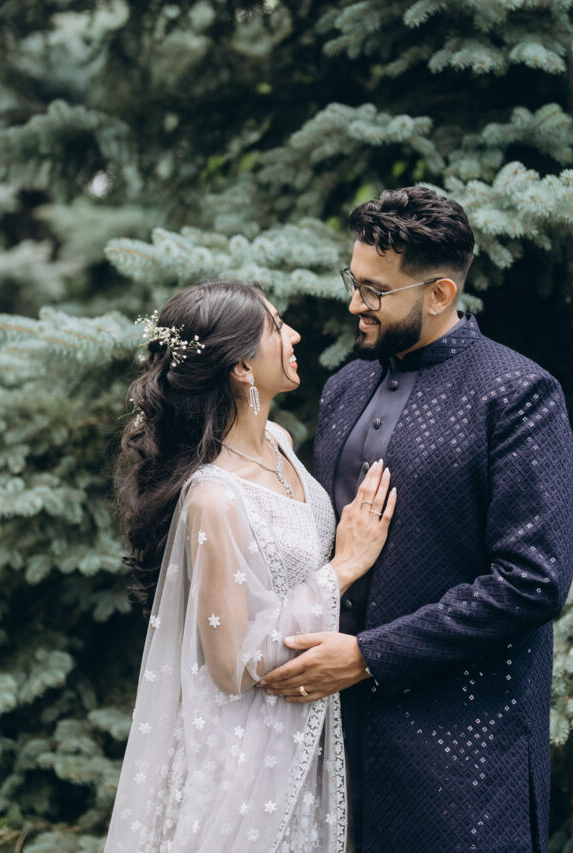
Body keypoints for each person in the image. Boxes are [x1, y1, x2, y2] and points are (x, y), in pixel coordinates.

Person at [258, 187, 573, 852]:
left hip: (465, 761)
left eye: (376, 291)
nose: (355, 303)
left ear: (439, 294)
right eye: (354, 281)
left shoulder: (518, 394)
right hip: (335, 748)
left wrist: (368, 656)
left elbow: (534, 581)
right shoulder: (344, 387)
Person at [105, 280, 395, 852]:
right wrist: (342, 568)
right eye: (277, 327)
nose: (295, 335)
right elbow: (229, 665)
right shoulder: (213, 497)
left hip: (304, 735)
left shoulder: (280, 442)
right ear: (241, 367)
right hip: (245, 758)